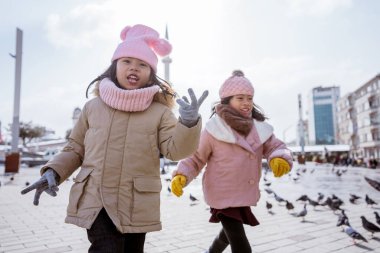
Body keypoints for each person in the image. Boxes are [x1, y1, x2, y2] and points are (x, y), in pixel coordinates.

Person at [21, 24, 208, 253]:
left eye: (142, 65)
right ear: (114, 66)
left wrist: (188, 124)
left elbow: (175, 150)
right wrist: (54, 170)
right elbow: (75, 147)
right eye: (126, 61)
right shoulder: (93, 107)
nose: (134, 68)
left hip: (136, 203)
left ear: (151, 73)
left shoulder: (159, 112)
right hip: (97, 200)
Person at [171, 70, 293, 253]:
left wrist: (279, 157)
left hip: (243, 191)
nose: (246, 103)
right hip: (221, 192)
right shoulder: (214, 129)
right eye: (240, 98)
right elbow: (196, 157)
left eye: (249, 98)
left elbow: (276, 146)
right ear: (227, 100)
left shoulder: (260, 129)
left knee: (227, 234)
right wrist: (182, 175)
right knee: (240, 243)